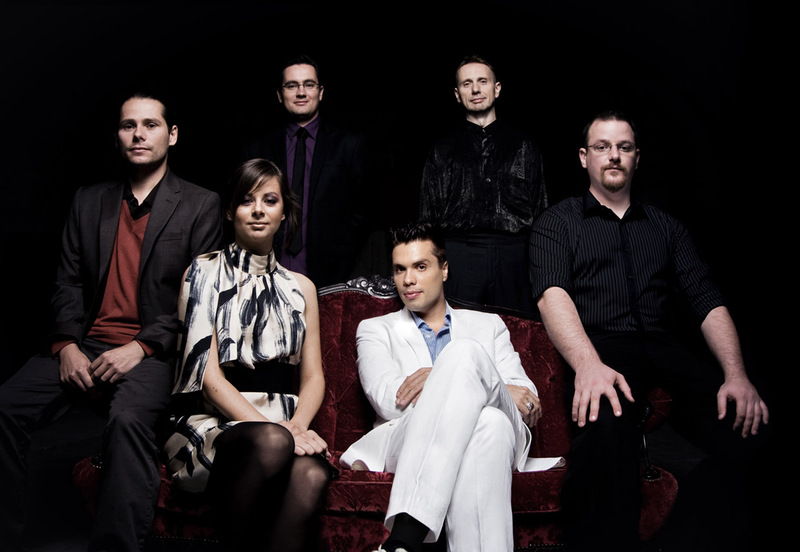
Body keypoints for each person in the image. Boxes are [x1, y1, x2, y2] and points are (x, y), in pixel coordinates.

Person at [529, 110, 770, 551]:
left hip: (663, 347)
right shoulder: (558, 223)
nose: (613, 155)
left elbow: (706, 300)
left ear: (637, 157)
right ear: (584, 157)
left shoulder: (666, 227)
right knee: (605, 433)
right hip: (602, 346)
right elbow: (552, 295)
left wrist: (736, 374)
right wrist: (588, 366)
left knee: (751, 427)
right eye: (602, 147)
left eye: (623, 147)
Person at [0, 91, 223, 552]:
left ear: (172, 135)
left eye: (150, 124)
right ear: (118, 136)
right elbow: (67, 283)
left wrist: (139, 348)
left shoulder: (200, 204)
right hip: (84, 344)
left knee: (127, 419)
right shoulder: (89, 200)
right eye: (128, 125)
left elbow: (199, 300)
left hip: (152, 352)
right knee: (4, 406)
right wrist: (65, 346)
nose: (138, 134)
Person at [163, 158, 333, 552]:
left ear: (283, 212)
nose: (258, 210)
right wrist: (282, 434)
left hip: (284, 421)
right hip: (215, 420)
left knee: (312, 475)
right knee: (271, 442)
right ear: (230, 211)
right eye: (246, 200)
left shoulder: (302, 287)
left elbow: (313, 377)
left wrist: (297, 427)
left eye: (270, 200)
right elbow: (209, 380)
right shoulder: (202, 272)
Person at [340, 221, 542, 552]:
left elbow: (525, 400)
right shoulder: (375, 329)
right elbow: (390, 401)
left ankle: (404, 539)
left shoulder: (488, 326)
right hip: (407, 437)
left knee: (475, 377)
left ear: (444, 269)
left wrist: (445, 372)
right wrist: (463, 374)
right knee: (486, 416)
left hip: (505, 432)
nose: (408, 279)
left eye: (420, 266)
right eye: (400, 269)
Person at [419, 54, 548, 316]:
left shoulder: (524, 147)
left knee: (516, 333)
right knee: (460, 334)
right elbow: (428, 220)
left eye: (482, 81)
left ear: (496, 89)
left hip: (514, 259)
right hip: (459, 258)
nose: (476, 89)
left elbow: (542, 213)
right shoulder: (442, 151)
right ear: (457, 95)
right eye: (467, 84)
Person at [242, 54, 368, 288]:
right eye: (292, 86)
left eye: (309, 84)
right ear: (280, 95)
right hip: (266, 270)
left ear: (320, 92)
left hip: (330, 273)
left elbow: (361, 213)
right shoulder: (258, 149)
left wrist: (342, 255)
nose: (301, 92)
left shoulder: (348, 146)